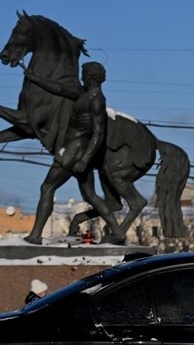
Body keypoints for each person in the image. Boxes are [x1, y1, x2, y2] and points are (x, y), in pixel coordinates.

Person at [22, 61, 125, 245]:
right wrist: (35, 78)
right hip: (76, 151)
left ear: (91, 76)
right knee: (90, 196)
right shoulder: (85, 94)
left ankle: (36, 235)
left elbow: (98, 133)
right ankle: (117, 232)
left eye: (84, 73)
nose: (81, 76)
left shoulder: (96, 100)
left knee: (47, 187)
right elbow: (59, 89)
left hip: (74, 152)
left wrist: (84, 159)